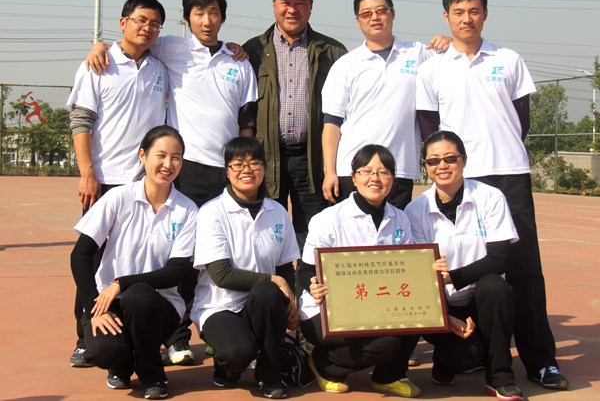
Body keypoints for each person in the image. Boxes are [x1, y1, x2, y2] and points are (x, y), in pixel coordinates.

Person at [86, 0, 258, 365]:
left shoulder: (239, 62)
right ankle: (177, 337)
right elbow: (133, 42)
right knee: (179, 257)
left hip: (227, 173)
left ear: (223, 17)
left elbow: (246, 121)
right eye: (199, 13)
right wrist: (100, 46)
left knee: (224, 253)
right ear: (186, 19)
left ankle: (220, 327)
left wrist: (243, 165)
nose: (207, 20)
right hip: (187, 168)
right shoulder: (172, 48)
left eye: (214, 13)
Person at [416, 0, 568, 390]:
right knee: (463, 267)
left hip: (508, 173)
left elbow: (522, 119)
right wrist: (448, 166)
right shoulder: (432, 68)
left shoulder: (508, 59)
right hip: (460, 177)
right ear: (446, 16)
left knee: (523, 269)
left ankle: (541, 362)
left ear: (485, 14)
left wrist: (500, 149)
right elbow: (430, 128)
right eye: (458, 12)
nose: (467, 19)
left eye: (474, 11)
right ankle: (475, 350)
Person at [66, 0, 168, 367]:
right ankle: (85, 335)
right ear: (123, 22)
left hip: (145, 185)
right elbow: (81, 120)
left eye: (155, 24)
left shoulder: (160, 68)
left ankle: (142, 334)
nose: (147, 28)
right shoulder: (99, 64)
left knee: (140, 258)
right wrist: (87, 173)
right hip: (105, 181)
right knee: (92, 261)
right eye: (140, 20)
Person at [70, 125, 197, 400]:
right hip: (109, 302)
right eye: (160, 155)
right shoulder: (118, 198)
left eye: (176, 157)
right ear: (143, 155)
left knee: (139, 295)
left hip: (159, 305)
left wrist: (121, 283)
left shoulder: (188, 210)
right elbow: (80, 255)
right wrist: (94, 308)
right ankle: (121, 364)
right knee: (105, 351)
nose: (168, 164)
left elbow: (175, 273)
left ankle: (153, 374)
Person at [405, 131, 522, 401]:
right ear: (426, 166)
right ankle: (446, 361)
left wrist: (452, 277)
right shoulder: (415, 210)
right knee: (465, 358)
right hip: (443, 302)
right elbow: (420, 270)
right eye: (433, 161)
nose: (442, 166)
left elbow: (499, 258)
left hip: (482, 297)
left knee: (495, 286)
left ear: (464, 160)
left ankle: (501, 377)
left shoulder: (490, 197)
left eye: (450, 158)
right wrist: (447, 316)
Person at [297, 144, 421, 398]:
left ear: (393, 179)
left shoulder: (401, 219)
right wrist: (313, 284)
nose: (375, 178)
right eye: (366, 171)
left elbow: (408, 269)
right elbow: (306, 269)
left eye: (383, 172)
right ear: (353, 177)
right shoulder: (328, 218)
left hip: (377, 305)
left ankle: (389, 376)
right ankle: (324, 364)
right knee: (386, 344)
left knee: (418, 312)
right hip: (327, 310)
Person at [243, 0, 347, 253]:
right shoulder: (252, 51)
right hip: (267, 159)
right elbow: (245, 110)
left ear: (311, 6)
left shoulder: (333, 53)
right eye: (285, 2)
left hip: (313, 161)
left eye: (300, 2)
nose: (292, 9)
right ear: (273, 4)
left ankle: (309, 282)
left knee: (313, 235)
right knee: (265, 237)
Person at [321, 0, 451, 210]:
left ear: (393, 13)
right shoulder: (346, 65)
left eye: (381, 11)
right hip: (353, 170)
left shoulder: (419, 53)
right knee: (355, 230)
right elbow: (332, 123)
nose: (374, 17)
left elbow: (458, 58)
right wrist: (329, 172)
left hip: (399, 169)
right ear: (358, 21)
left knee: (395, 230)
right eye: (366, 13)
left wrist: (450, 42)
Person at [191, 136, 301, 399]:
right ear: (227, 171)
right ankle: (226, 369)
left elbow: (285, 267)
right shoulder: (212, 212)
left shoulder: (277, 212)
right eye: (238, 164)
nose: (247, 170)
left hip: (262, 306)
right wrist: (274, 280)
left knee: (267, 292)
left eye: (254, 163)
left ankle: (270, 375)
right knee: (238, 352)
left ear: (264, 168)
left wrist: (291, 300)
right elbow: (222, 275)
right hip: (220, 306)